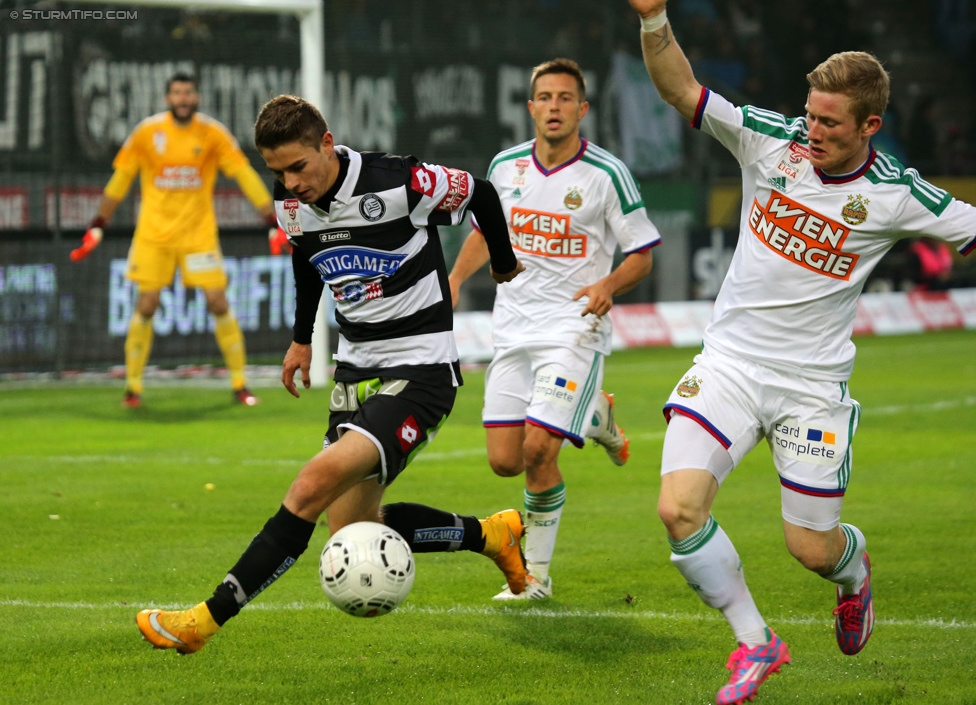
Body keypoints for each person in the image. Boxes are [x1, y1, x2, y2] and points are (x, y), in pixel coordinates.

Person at [626, 2, 976, 703]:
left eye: (829, 122)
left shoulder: (895, 194)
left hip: (811, 387)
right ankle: (757, 642)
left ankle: (853, 573)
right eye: (809, 115)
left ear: (870, 126)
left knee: (810, 548)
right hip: (728, 365)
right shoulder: (769, 141)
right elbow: (679, 89)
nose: (811, 132)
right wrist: (655, 18)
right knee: (678, 509)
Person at [135, 94, 529, 654]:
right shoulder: (290, 201)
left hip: (420, 370)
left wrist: (504, 262)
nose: (290, 182)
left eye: (298, 166)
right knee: (352, 531)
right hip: (355, 367)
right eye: (277, 172)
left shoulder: (400, 183)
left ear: (327, 144)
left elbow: (481, 193)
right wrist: (301, 340)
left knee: (311, 485)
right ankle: (491, 534)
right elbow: (306, 257)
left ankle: (203, 620)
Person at [449, 58, 660, 600]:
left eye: (566, 98)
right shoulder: (505, 166)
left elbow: (642, 254)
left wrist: (608, 285)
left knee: (540, 451)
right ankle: (596, 414)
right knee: (504, 461)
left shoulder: (607, 174)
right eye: (545, 97)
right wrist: (452, 281)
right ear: (530, 107)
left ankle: (534, 577)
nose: (555, 107)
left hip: (574, 327)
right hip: (513, 326)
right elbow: (485, 234)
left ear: (582, 109)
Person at [70, 72, 284, 408]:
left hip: (198, 236)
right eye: (176, 93)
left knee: (218, 301)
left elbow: (244, 174)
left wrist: (272, 219)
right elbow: (121, 178)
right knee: (147, 304)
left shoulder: (212, 134)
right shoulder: (147, 133)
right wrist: (99, 222)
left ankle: (240, 383)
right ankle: (133, 387)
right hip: (153, 236)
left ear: (196, 97)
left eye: (188, 93)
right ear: (167, 98)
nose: (183, 99)